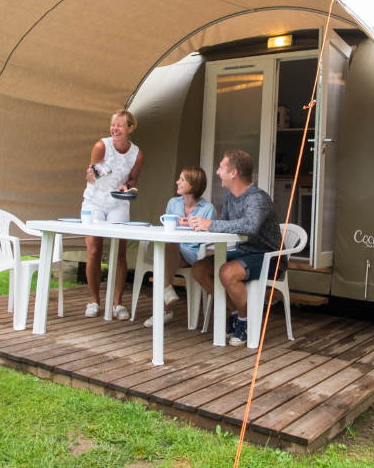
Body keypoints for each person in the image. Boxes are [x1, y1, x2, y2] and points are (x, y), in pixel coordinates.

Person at [187, 150, 281, 346]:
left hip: (268, 257)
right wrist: (195, 224)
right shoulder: (230, 196)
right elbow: (225, 226)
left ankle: (245, 321)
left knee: (226, 272)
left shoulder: (257, 198)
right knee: (199, 268)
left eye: (221, 167)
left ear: (233, 173)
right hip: (244, 252)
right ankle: (236, 313)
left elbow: (250, 226)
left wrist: (210, 224)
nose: (217, 171)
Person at [82, 109, 144, 319]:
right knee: (94, 251)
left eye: (120, 125)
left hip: (118, 202)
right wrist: (91, 176)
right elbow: (91, 174)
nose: (115, 129)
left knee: (119, 252)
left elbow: (133, 180)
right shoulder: (101, 146)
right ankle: (94, 301)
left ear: (130, 128)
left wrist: (127, 186)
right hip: (95, 200)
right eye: (113, 124)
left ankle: (118, 304)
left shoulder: (137, 154)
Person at [144, 166, 216, 327]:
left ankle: (164, 308)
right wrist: (176, 225)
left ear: (194, 183)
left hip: (193, 252)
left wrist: (191, 224)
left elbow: (208, 236)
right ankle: (166, 294)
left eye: (182, 179)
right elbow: (167, 229)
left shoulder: (208, 209)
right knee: (169, 243)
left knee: (167, 248)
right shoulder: (173, 203)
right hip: (172, 250)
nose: (177, 182)